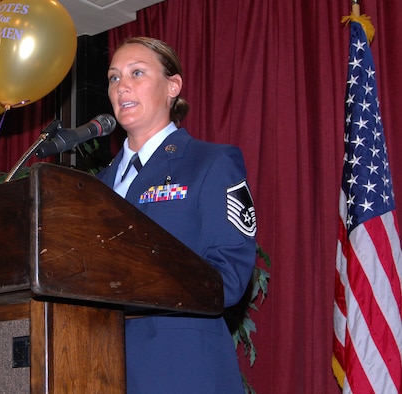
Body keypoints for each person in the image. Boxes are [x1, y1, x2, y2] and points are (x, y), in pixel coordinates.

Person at [97, 36, 257, 393]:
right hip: (99, 368)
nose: (122, 85)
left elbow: (229, 278)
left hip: (180, 369)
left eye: (136, 73)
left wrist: (132, 278)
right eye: (113, 77)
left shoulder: (211, 163)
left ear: (173, 86)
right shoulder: (96, 187)